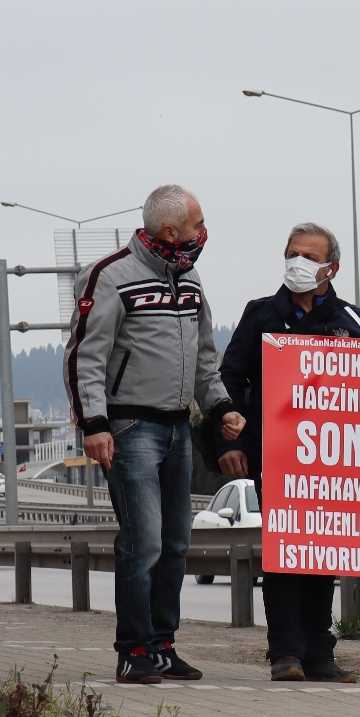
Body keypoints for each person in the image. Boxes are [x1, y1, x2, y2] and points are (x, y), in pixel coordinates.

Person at [217, 222, 360, 682]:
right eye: (291, 254)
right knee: (285, 553)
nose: (297, 263)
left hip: (337, 462)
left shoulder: (356, 322)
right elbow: (230, 382)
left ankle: (321, 653)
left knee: (324, 552)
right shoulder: (261, 314)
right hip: (280, 460)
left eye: (308, 256)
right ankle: (286, 652)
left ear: (332, 267)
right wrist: (232, 443)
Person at [64, 184, 245, 684]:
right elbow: (85, 355)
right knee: (142, 540)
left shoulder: (190, 281)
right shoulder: (110, 276)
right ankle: (133, 649)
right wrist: (93, 425)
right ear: (170, 231)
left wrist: (221, 407)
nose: (203, 233)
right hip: (129, 426)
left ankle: (163, 644)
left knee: (175, 541)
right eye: (197, 225)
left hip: (177, 426)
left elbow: (205, 357)